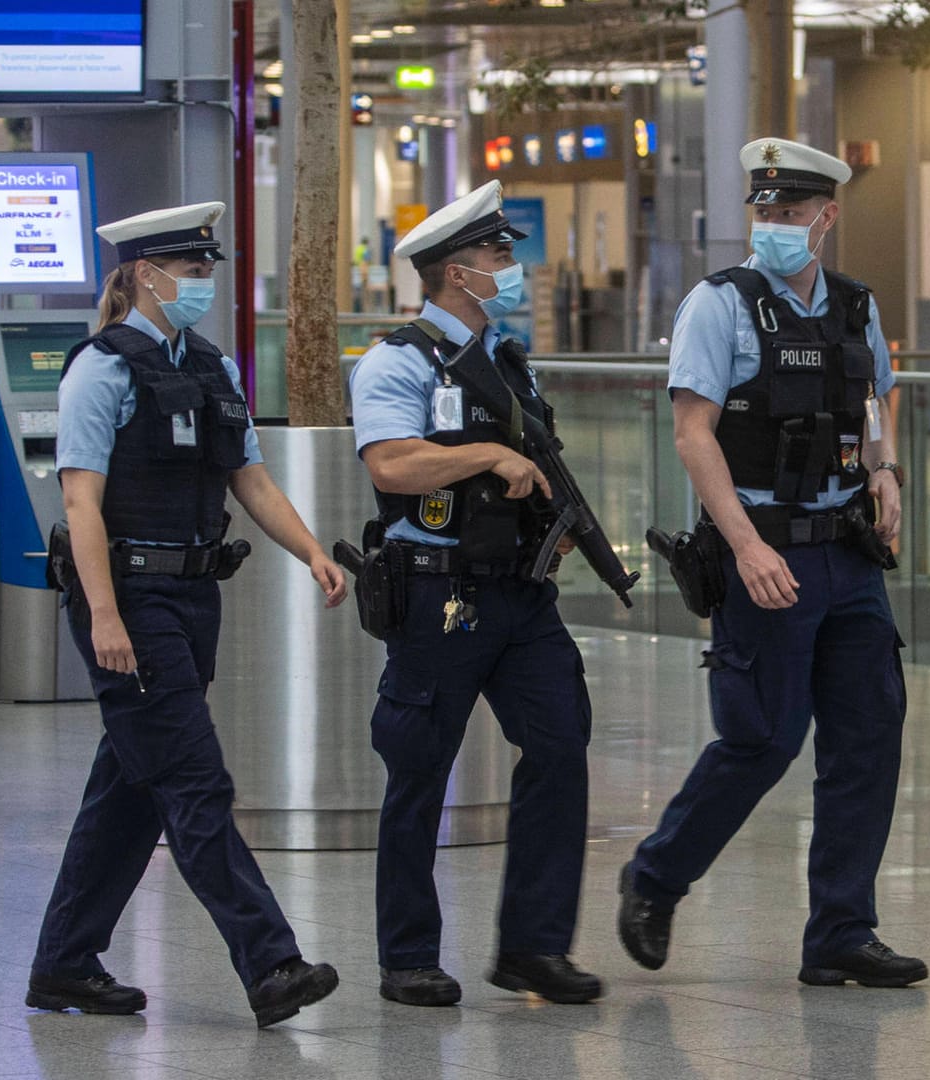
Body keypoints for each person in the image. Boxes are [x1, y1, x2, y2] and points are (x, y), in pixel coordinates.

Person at [27, 201, 347, 1028]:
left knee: (134, 786)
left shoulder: (210, 367)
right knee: (196, 782)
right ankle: (271, 962)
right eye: (191, 270)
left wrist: (311, 551)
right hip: (129, 601)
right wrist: (104, 617)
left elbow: (251, 479)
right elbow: (80, 502)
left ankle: (64, 964)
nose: (204, 283)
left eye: (209, 270)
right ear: (143, 274)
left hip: (192, 596)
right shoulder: (100, 369)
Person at [617, 138, 926, 989]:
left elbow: (873, 400)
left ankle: (841, 933)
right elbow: (693, 434)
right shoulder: (719, 307)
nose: (775, 227)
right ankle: (655, 876)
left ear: (826, 216)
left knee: (868, 740)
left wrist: (885, 468)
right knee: (762, 740)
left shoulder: (856, 307)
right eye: (765, 211)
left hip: (848, 556)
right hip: (765, 556)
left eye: (791, 213)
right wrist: (746, 545)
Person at [348, 180, 602, 1008]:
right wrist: (487, 458)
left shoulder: (506, 361)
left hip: (521, 597)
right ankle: (409, 955)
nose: (511, 266)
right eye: (499, 256)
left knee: (561, 747)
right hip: (439, 596)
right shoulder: (397, 359)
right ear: (458, 272)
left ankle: (533, 947)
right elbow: (390, 463)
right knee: (418, 770)